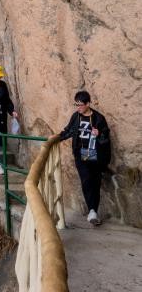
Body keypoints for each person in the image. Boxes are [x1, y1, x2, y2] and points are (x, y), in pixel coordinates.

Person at [55, 90, 111, 226]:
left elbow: (106, 139)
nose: (78, 107)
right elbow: (68, 131)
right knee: (86, 180)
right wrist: (56, 138)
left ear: (88, 104)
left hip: (95, 155)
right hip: (80, 155)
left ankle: (93, 211)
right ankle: (92, 211)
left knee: (95, 183)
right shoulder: (76, 117)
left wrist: (99, 135)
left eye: (80, 105)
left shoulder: (98, 118)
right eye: (76, 104)